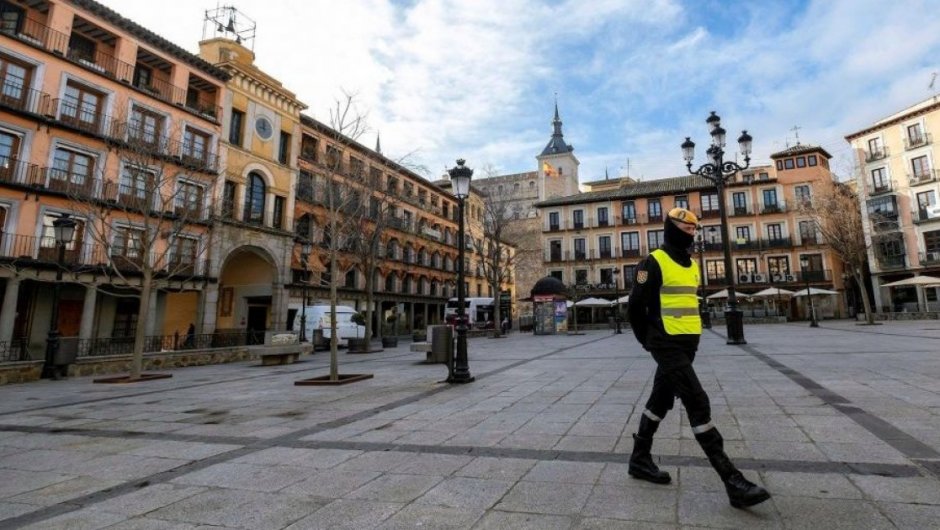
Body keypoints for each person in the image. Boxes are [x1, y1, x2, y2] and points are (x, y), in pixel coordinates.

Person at [626, 207, 770, 509]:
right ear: (671, 227)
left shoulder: (692, 265)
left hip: (688, 344)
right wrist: (650, 343)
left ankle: (639, 459)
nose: (691, 234)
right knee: (697, 401)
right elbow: (635, 308)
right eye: (686, 228)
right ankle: (732, 480)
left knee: (660, 400)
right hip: (665, 343)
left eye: (694, 229)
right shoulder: (652, 262)